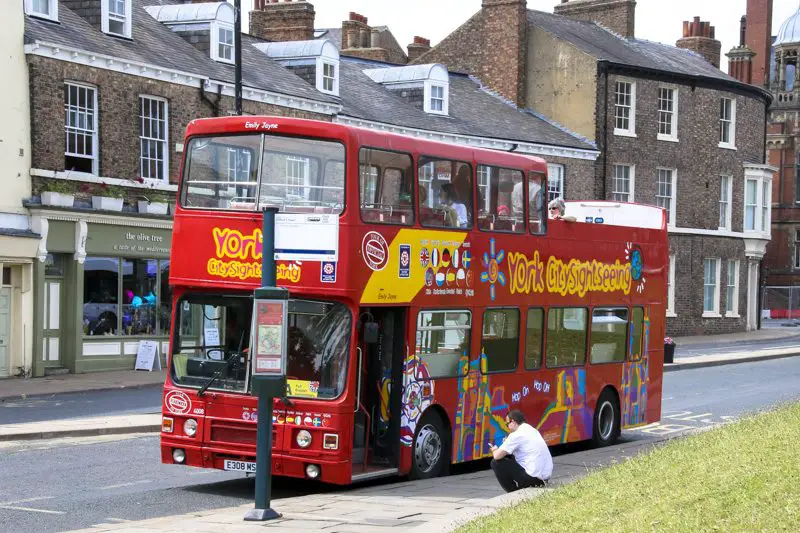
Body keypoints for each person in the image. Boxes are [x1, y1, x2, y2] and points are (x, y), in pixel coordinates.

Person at [489, 409, 553, 492]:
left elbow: (497, 456)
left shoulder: (516, 435)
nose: (507, 427)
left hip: (532, 479)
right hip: (544, 479)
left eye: (507, 424)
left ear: (513, 421)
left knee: (495, 463)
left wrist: (494, 449)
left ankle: (512, 492)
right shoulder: (533, 430)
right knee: (511, 458)